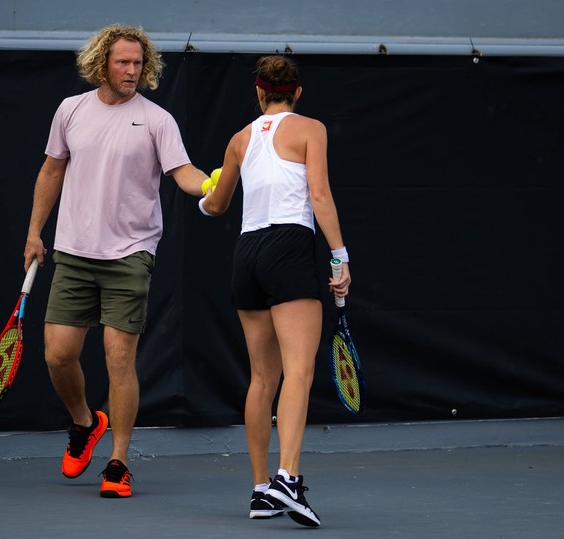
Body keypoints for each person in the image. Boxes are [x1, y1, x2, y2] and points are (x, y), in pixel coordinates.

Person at [23, 24, 209, 499]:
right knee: (58, 355)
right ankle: (86, 422)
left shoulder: (156, 120)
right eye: (123, 62)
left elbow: (182, 172)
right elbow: (52, 169)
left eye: (138, 63)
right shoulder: (71, 110)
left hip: (130, 254)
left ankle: (119, 461)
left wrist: (210, 186)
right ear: (101, 63)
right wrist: (33, 233)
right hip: (72, 251)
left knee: (118, 359)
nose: (132, 71)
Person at [199, 55, 351, 527]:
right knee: (299, 372)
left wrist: (206, 193)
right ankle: (288, 478)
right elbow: (319, 195)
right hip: (288, 245)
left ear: (259, 92)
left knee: (262, 379)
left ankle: (261, 488)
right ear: (297, 92)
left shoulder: (239, 140)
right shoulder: (310, 128)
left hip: (247, 255)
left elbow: (215, 204)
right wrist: (340, 256)